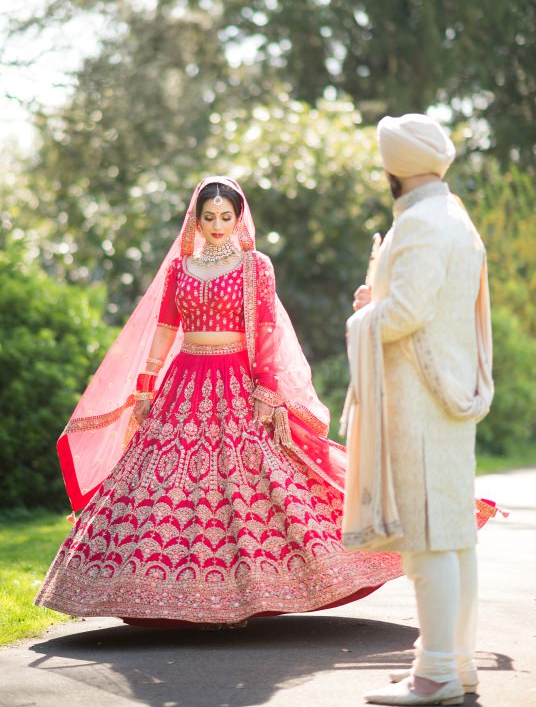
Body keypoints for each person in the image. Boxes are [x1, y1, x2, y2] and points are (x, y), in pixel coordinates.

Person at [35, 176, 403, 626]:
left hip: (236, 382)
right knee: (166, 480)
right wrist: (146, 384)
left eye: (225, 217)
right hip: (184, 381)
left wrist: (267, 389)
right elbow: (166, 331)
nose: (216, 225)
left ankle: (242, 596)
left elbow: (266, 329)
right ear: (196, 218)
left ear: (238, 218)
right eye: (208, 217)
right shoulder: (180, 269)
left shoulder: (255, 266)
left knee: (246, 481)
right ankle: (150, 593)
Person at [344, 115, 494, 706]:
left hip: (419, 402)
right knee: (453, 537)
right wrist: (376, 299)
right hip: (447, 393)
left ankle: (435, 675)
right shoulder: (453, 217)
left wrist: (364, 317)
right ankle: (455, 663)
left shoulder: (424, 223)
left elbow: (404, 314)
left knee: (429, 540)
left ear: (392, 170)